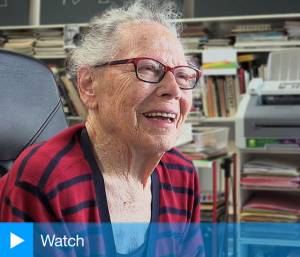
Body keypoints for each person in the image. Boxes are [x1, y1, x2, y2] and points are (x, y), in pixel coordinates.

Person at [0, 0, 203, 256]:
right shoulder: (45, 177)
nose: (174, 90)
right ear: (88, 85)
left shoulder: (182, 175)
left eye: (184, 76)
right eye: (149, 69)